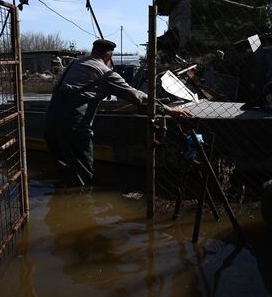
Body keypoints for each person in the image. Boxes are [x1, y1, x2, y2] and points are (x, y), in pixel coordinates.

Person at [45, 39, 190, 187]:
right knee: (82, 177)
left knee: (64, 171)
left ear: (93, 52)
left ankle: (60, 199)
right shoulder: (105, 73)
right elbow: (138, 96)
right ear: (109, 57)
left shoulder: (74, 64)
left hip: (49, 123)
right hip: (73, 127)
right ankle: (80, 202)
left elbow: (62, 90)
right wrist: (169, 110)